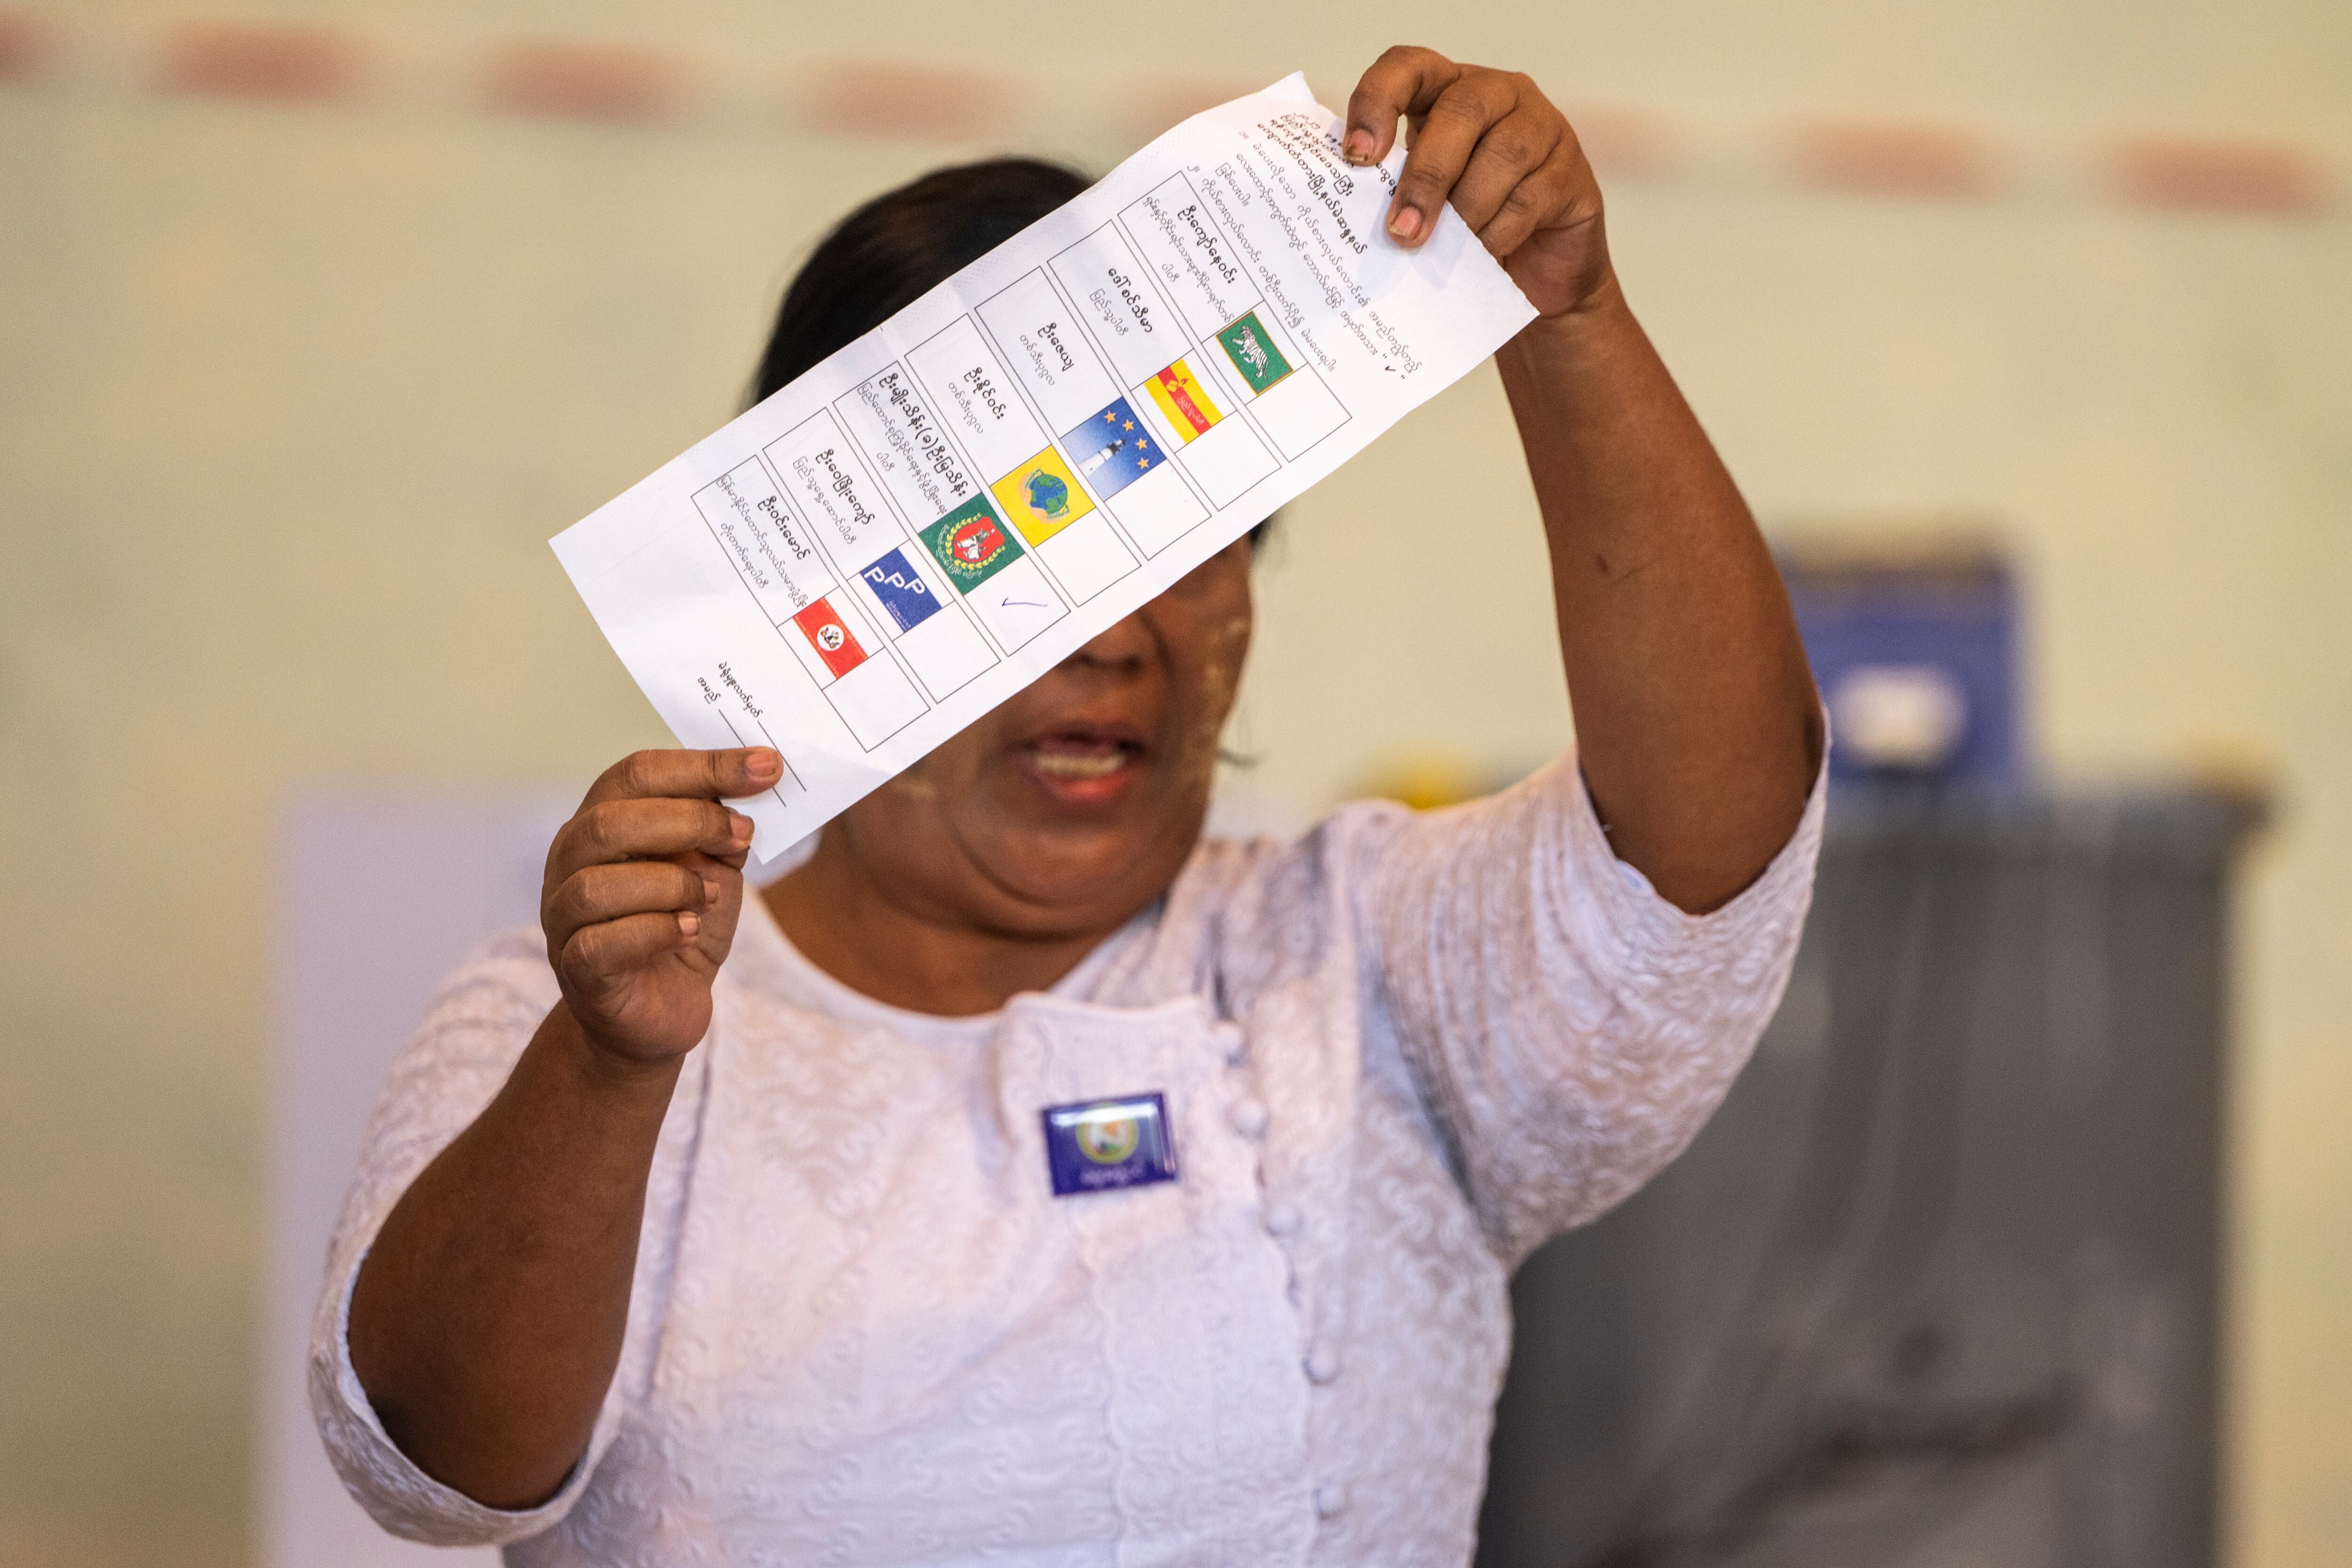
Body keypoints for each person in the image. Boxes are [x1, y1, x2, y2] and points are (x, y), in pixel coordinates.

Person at [314, 45, 1827, 1567]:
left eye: (1184, 540)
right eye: (1024, 545)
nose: (1114, 637)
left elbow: (1705, 858)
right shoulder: (577, 1022)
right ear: (814, 599)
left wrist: (1567, 318)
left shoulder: (1356, 958)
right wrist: (605, 1067)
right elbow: (443, 1466)